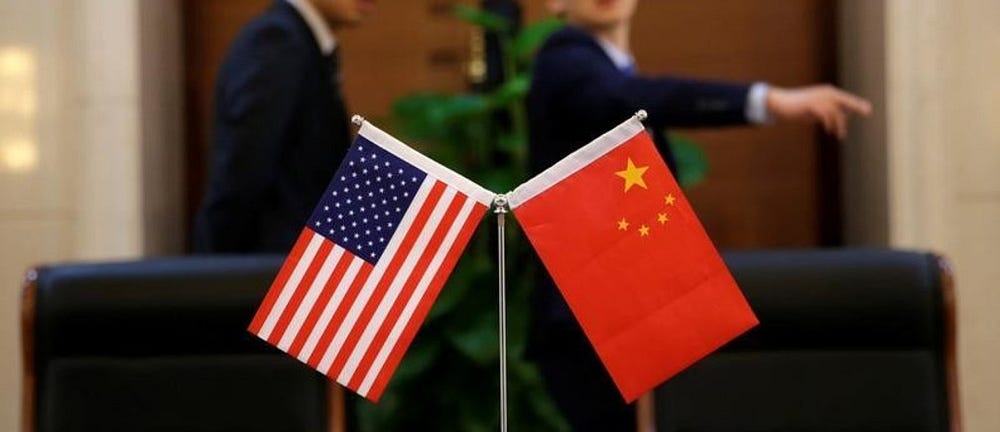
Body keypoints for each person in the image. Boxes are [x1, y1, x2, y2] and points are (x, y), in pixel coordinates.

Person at [526, 0, 871, 430]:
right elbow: (633, 99)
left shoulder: (612, 68)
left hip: (636, 313)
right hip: (589, 325)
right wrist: (766, 100)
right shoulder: (564, 60)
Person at [193, 0, 376, 253]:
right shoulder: (276, 41)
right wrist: (215, 269)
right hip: (266, 264)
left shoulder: (304, 43)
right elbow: (241, 175)